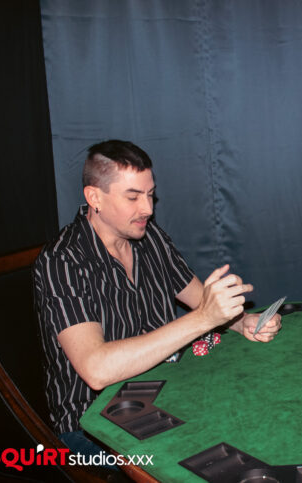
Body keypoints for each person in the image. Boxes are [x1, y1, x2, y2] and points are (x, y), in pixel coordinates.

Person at [34, 140, 281, 454]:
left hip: (166, 395)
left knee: (255, 421)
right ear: (94, 197)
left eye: (150, 195)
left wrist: (243, 321)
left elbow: (199, 299)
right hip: (90, 426)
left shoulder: (149, 237)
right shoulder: (63, 260)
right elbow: (96, 370)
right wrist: (204, 318)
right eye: (133, 196)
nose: (148, 209)